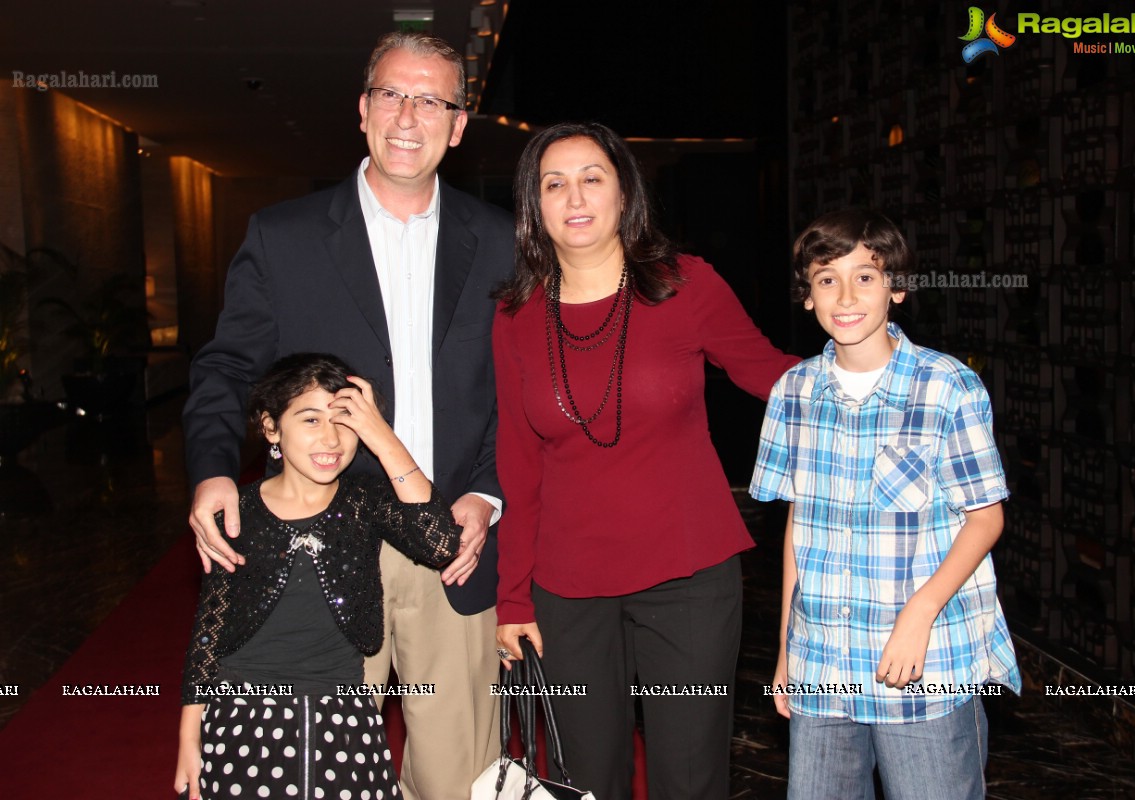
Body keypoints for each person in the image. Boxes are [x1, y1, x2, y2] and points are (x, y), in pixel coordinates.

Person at [182, 32, 513, 799]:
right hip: (316, 544)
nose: (409, 115)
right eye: (393, 94)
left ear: (458, 125)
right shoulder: (283, 235)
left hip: (448, 540)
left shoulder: (500, 245)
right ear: (362, 111)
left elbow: (515, 392)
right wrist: (207, 475)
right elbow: (227, 367)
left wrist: (487, 491)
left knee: (459, 777)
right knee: (316, 775)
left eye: (432, 100)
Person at [492, 121, 800, 800]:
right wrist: (512, 596)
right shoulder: (515, 316)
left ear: (624, 192)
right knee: (585, 777)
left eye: (592, 177)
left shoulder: (685, 285)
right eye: (554, 182)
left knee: (689, 778)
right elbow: (518, 463)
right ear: (533, 205)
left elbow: (773, 377)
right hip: (567, 591)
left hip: (688, 578)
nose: (574, 196)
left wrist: (876, 374)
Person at [750, 209, 1021, 800]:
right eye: (827, 279)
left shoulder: (946, 386)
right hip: (823, 659)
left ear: (896, 288)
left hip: (925, 663)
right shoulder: (793, 393)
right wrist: (786, 653)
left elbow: (986, 516)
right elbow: (800, 527)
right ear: (807, 297)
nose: (846, 295)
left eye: (865, 277)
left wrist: (919, 614)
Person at [174, 353, 460, 800]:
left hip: (345, 717)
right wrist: (189, 738)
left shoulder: (364, 502)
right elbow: (210, 632)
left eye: (344, 421)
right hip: (243, 719)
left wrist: (382, 437)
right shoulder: (238, 512)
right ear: (271, 428)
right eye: (310, 419)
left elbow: (440, 543)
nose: (330, 438)